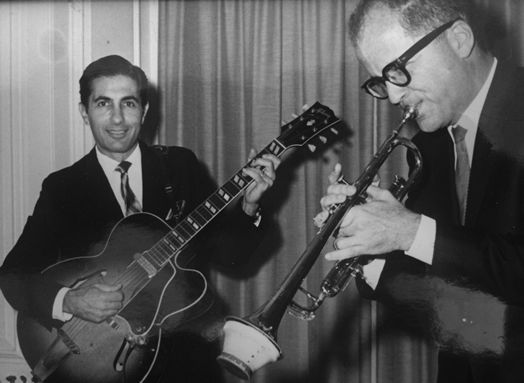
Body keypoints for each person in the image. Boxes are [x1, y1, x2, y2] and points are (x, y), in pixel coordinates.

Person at [0, 55, 281, 382]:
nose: (117, 118)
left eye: (128, 103)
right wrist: (70, 300)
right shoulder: (63, 188)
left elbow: (230, 256)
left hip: (183, 362)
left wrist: (249, 206)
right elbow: (14, 274)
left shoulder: (179, 167)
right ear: (84, 111)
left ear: (144, 111)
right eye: (103, 103)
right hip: (99, 360)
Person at [315, 0, 524, 382]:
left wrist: (410, 231)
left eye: (399, 70)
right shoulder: (431, 145)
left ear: (459, 39)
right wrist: (368, 249)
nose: (393, 98)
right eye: (381, 80)